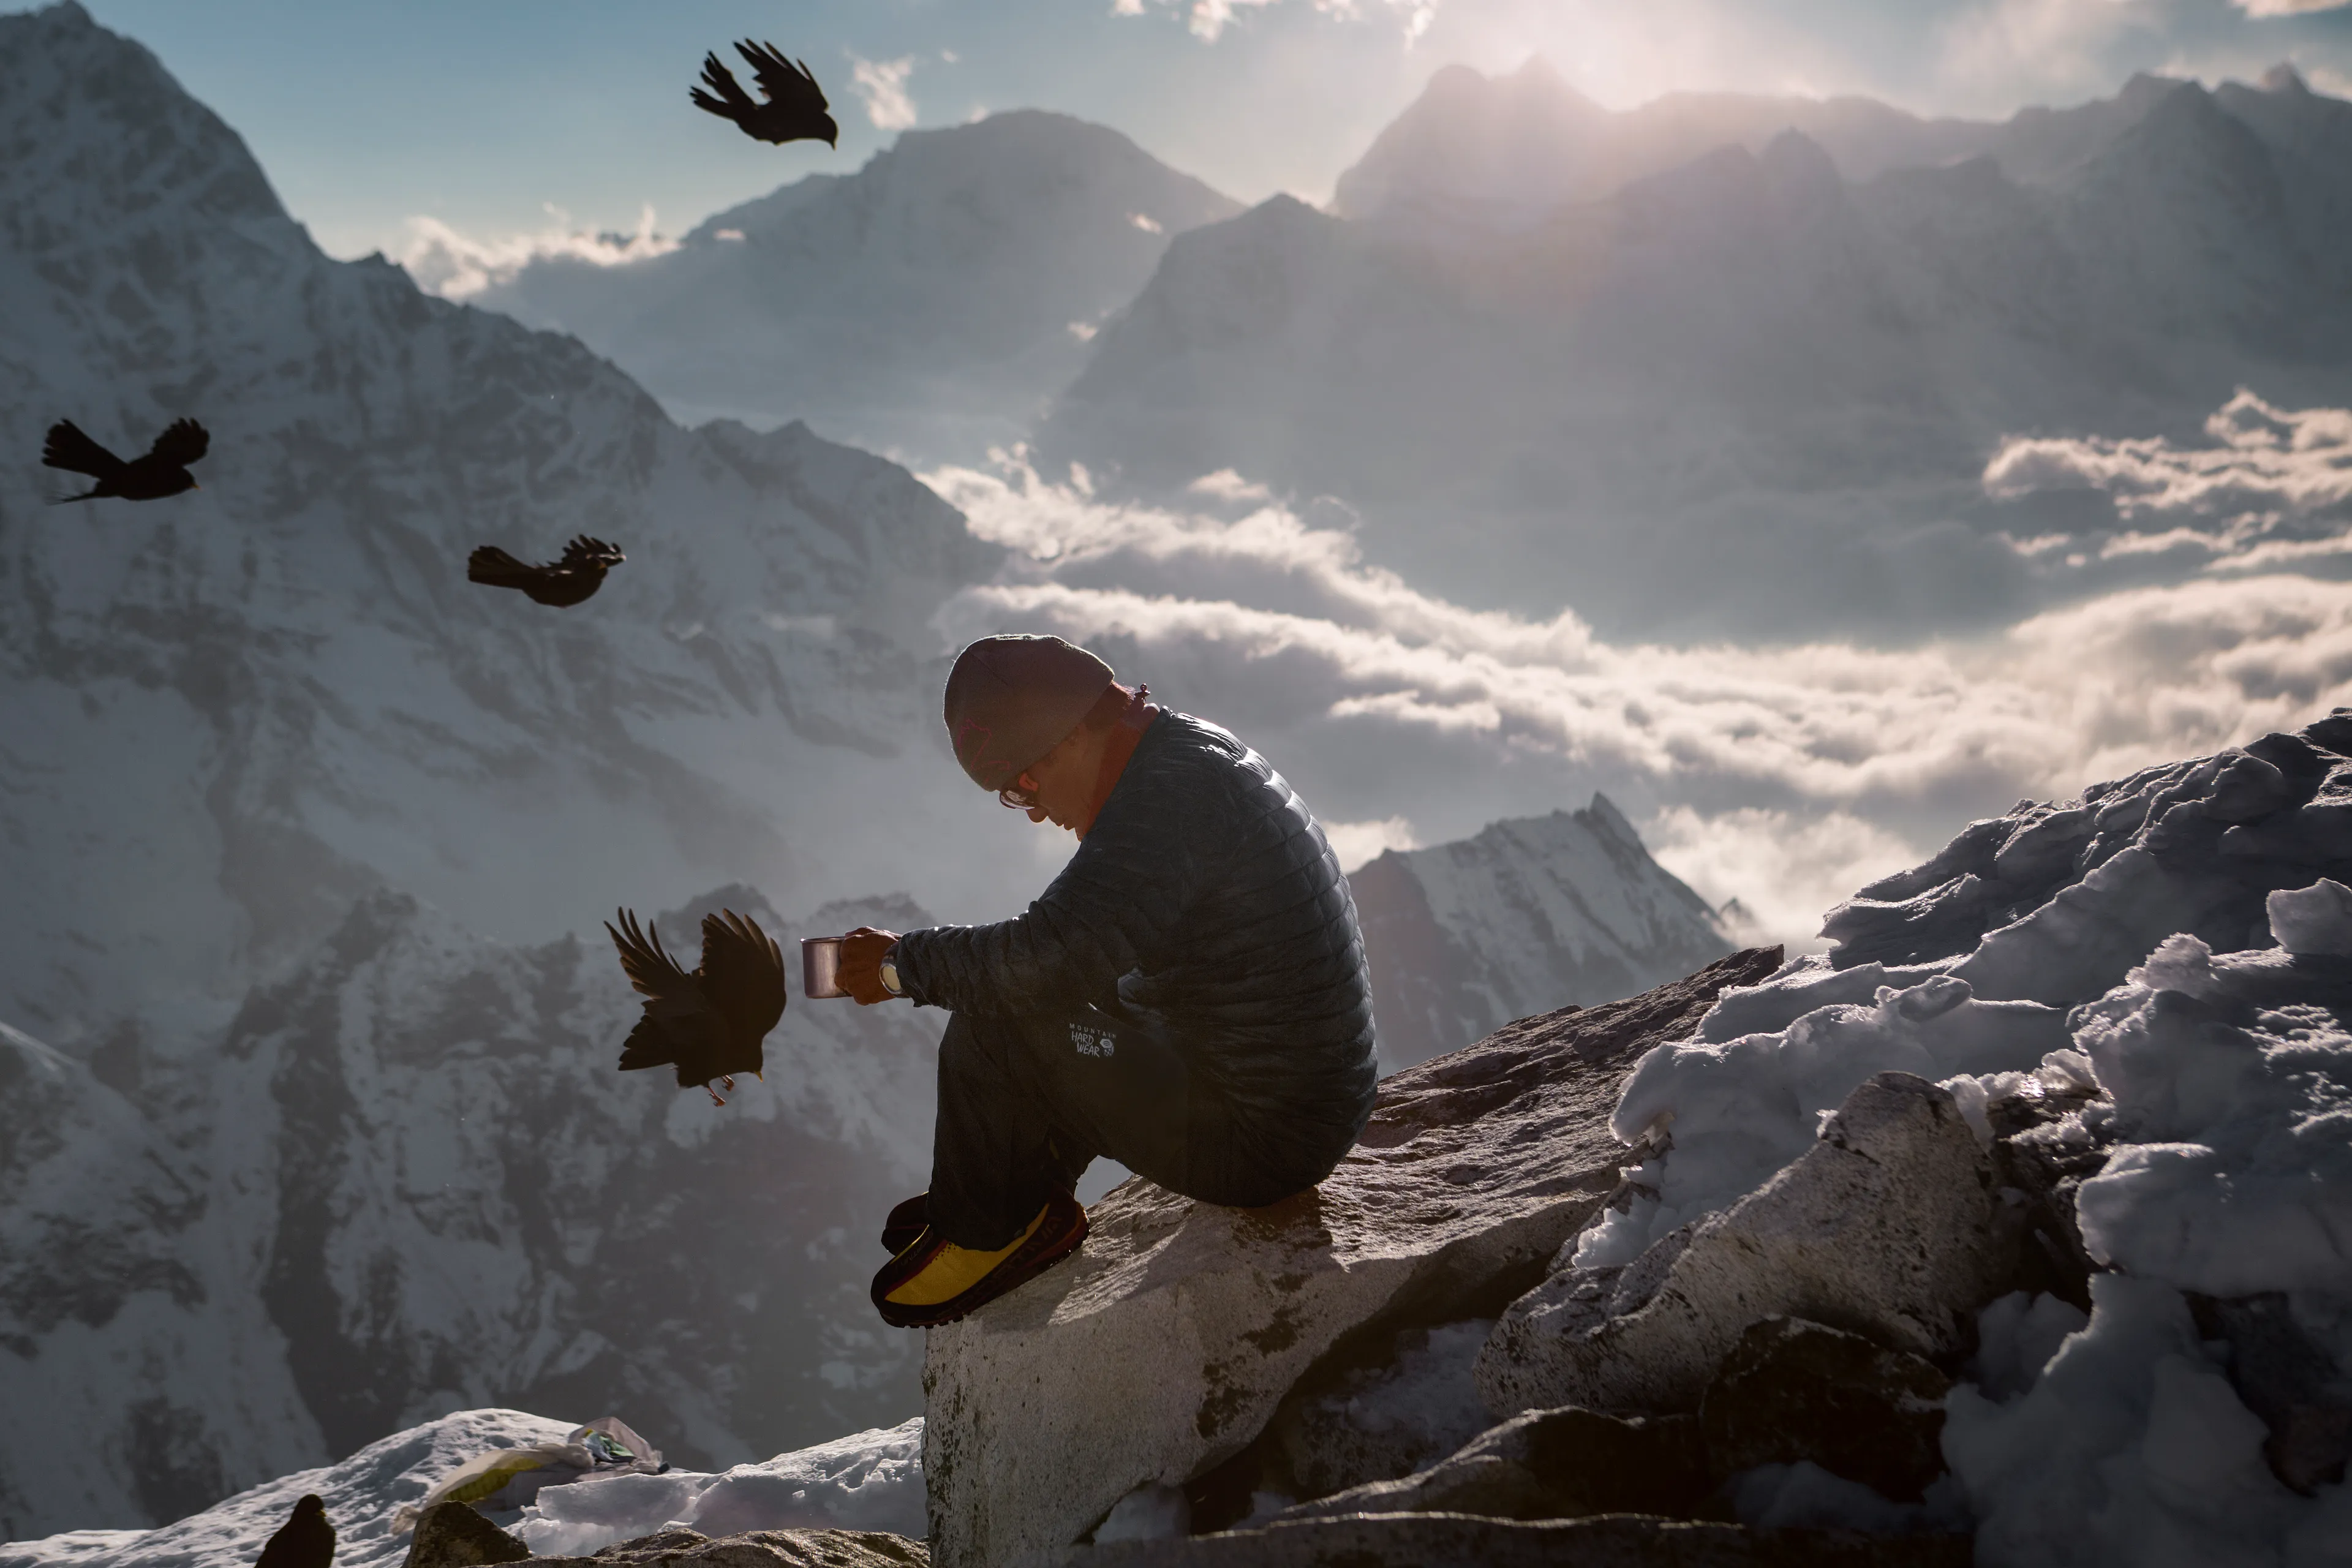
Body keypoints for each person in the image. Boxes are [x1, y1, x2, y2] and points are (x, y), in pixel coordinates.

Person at [839, 634, 1378, 1327]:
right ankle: (1010, 1190)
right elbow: (1084, 948)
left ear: (1067, 738)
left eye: (1022, 782)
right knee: (1057, 995)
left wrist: (899, 965)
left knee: (1000, 1016)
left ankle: (988, 1232)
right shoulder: (1183, 753)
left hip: (1258, 1137)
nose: (1031, 809)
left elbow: (1047, 957)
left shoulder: (1164, 803)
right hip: (1288, 1099)